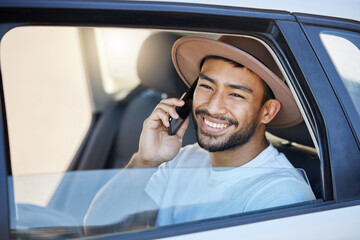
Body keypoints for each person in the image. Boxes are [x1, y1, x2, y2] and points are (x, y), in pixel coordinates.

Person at [84, 35, 315, 229]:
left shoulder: (281, 197)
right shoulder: (183, 158)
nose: (213, 106)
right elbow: (97, 228)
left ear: (268, 111)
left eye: (236, 94)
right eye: (206, 86)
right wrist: (145, 161)